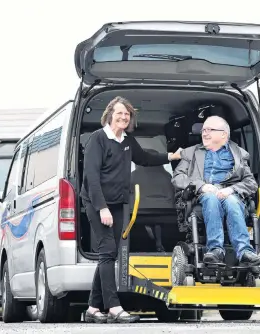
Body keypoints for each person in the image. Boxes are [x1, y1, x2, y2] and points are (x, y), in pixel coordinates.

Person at [80, 96, 182, 324]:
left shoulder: (127, 140)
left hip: (118, 203)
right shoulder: (98, 139)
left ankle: (93, 308)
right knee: (107, 252)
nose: (124, 117)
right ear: (109, 115)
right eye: (120, 113)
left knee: (110, 254)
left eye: (127, 114)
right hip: (97, 203)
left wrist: (170, 156)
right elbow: (92, 179)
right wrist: (102, 208)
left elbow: (144, 158)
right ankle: (114, 307)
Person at [171, 115, 260, 267]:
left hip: (230, 194)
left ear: (224, 134)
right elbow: (177, 177)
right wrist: (201, 186)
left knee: (232, 201)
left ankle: (245, 252)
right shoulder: (191, 153)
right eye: (203, 130)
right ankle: (215, 249)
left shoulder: (239, 155)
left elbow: (251, 183)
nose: (204, 133)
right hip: (203, 194)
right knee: (210, 198)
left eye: (210, 129)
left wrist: (231, 189)